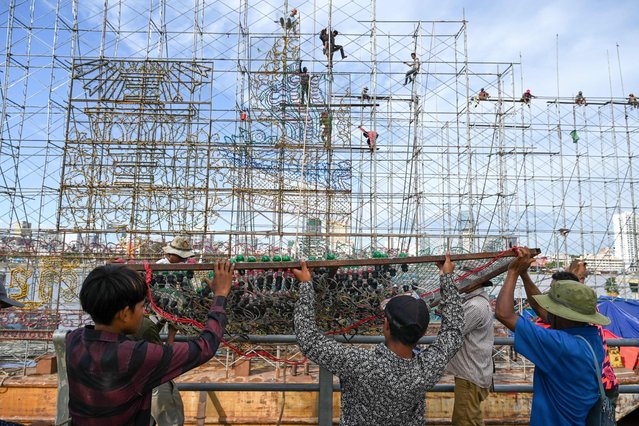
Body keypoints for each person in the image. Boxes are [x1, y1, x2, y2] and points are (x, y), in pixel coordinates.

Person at [292, 255, 463, 425]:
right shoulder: (427, 367)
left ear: (386, 325)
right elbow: (453, 332)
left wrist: (306, 285)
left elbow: (309, 340)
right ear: (423, 331)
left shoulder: (360, 363)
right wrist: (446, 278)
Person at [66, 261, 234, 425]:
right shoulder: (135, 356)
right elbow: (204, 347)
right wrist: (220, 296)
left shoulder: (74, 339)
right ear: (124, 314)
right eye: (141, 307)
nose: (143, 313)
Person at [495, 247, 610, 425]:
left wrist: (513, 271)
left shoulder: (560, 345)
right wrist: (524, 275)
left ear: (562, 315)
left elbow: (504, 314)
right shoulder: (591, 337)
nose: (548, 311)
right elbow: (543, 311)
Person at [524, 262, 619, 408]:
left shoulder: (570, 319)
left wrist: (522, 274)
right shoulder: (587, 312)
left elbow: (538, 307)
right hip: (601, 384)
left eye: (555, 290)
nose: (550, 293)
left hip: (593, 388)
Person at [446, 280, 494, 426]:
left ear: (475, 282)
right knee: (472, 419)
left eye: (466, 278)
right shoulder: (478, 302)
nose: (461, 281)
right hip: (474, 373)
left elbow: (452, 331)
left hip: (470, 376)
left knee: (463, 421)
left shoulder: (474, 306)